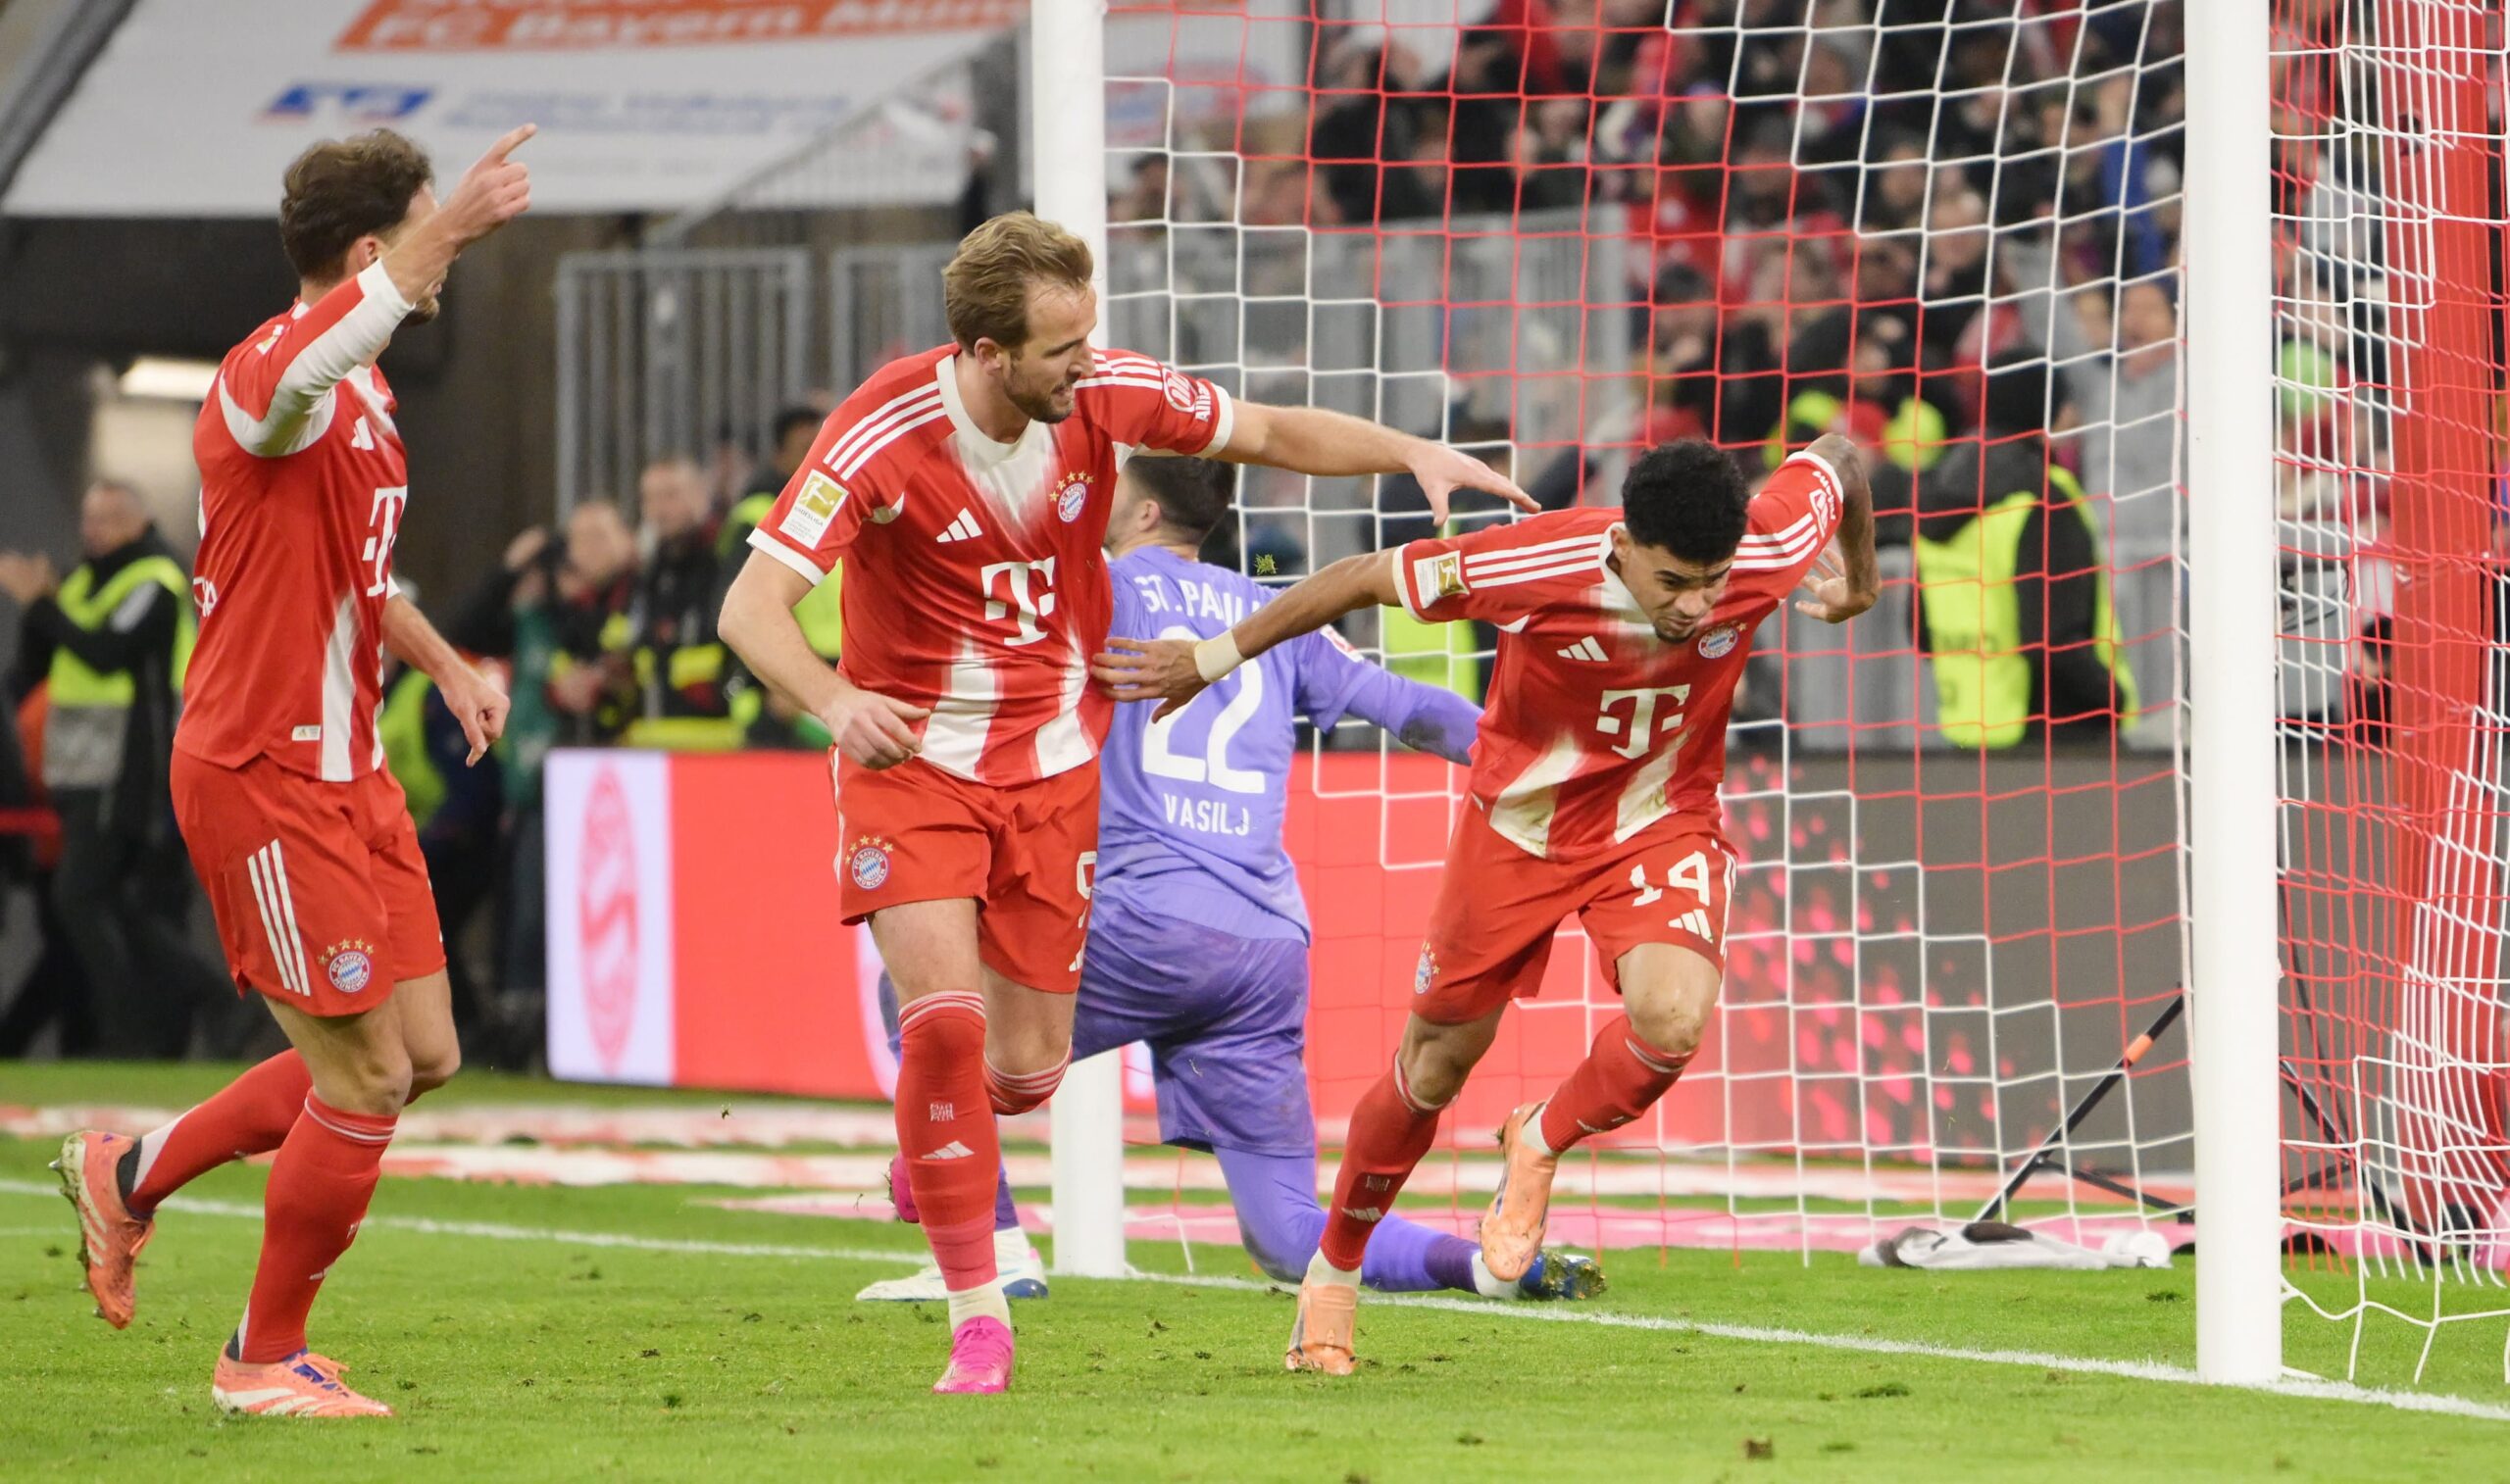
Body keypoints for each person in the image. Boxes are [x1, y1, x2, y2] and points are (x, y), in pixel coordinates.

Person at [719, 210, 1530, 1395]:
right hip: (915, 764)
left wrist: (1405, 450)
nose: (1085, 362)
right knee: (938, 1022)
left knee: (1023, 1071)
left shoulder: (1105, 394)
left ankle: (929, 1141)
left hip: (1051, 769)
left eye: (1089, 337)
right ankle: (979, 1319)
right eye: (1060, 347)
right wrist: (835, 701)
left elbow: (1264, 430)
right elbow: (752, 609)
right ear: (987, 354)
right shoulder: (880, 428)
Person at [1097, 433, 1879, 1373]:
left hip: (1661, 818)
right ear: (1623, 544)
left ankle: (1539, 1141)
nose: (1699, 606)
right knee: (1433, 1069)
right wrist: (1215, 656)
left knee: (1671, 1024)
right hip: (1516, 831)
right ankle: (1333, 1273)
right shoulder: (1531, 559)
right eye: (1674, 583)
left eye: (1713, 583)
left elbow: (1839, 459)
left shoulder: (1767, 544)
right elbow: (1354, 577)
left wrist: (1860, 581)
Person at [858, 456, 1603, 1307]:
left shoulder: (1094, 586)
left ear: (1140, 512)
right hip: (1262, 947)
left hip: (1136, 922)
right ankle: (1485, 1265)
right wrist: (1556, 765)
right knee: (1289, 1231)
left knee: (916, 999)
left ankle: (990, 1254)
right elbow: (1409, 707)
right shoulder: (1272, 609)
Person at [50, 124, 532, 1418]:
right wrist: (456, 222)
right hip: (263, 772)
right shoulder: (275, 367)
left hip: (350, 771)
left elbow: (349, 577)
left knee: (420, 1050)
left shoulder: (368, 397)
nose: (450, 269)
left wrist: (439, 658)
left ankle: (132, 1169)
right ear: (376, 250)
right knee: (362, 1078)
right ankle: (262, 1357)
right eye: (429, 240)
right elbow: (295, 378)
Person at [0, 480, 231, 1057]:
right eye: (88, 518)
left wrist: (41, 606)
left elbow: (105, 650)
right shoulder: (84, 581)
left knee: (81, 897)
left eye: (105, 519)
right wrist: (39, 613)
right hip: (79, 772)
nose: (92, 530)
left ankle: (134, 1031)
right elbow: (34, 670)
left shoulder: (153, 582)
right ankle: (202, 1003)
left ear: (136, 521)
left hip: (128, 772)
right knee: (113, 903)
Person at [1912, 358, 2134, 747]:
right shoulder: (2045, 499)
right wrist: (2112, 697)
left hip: (1969, 726)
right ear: (2048, 413)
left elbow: (1919, 628)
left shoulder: (1936, 496)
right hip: (2059, 730)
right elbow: (2052, 637)